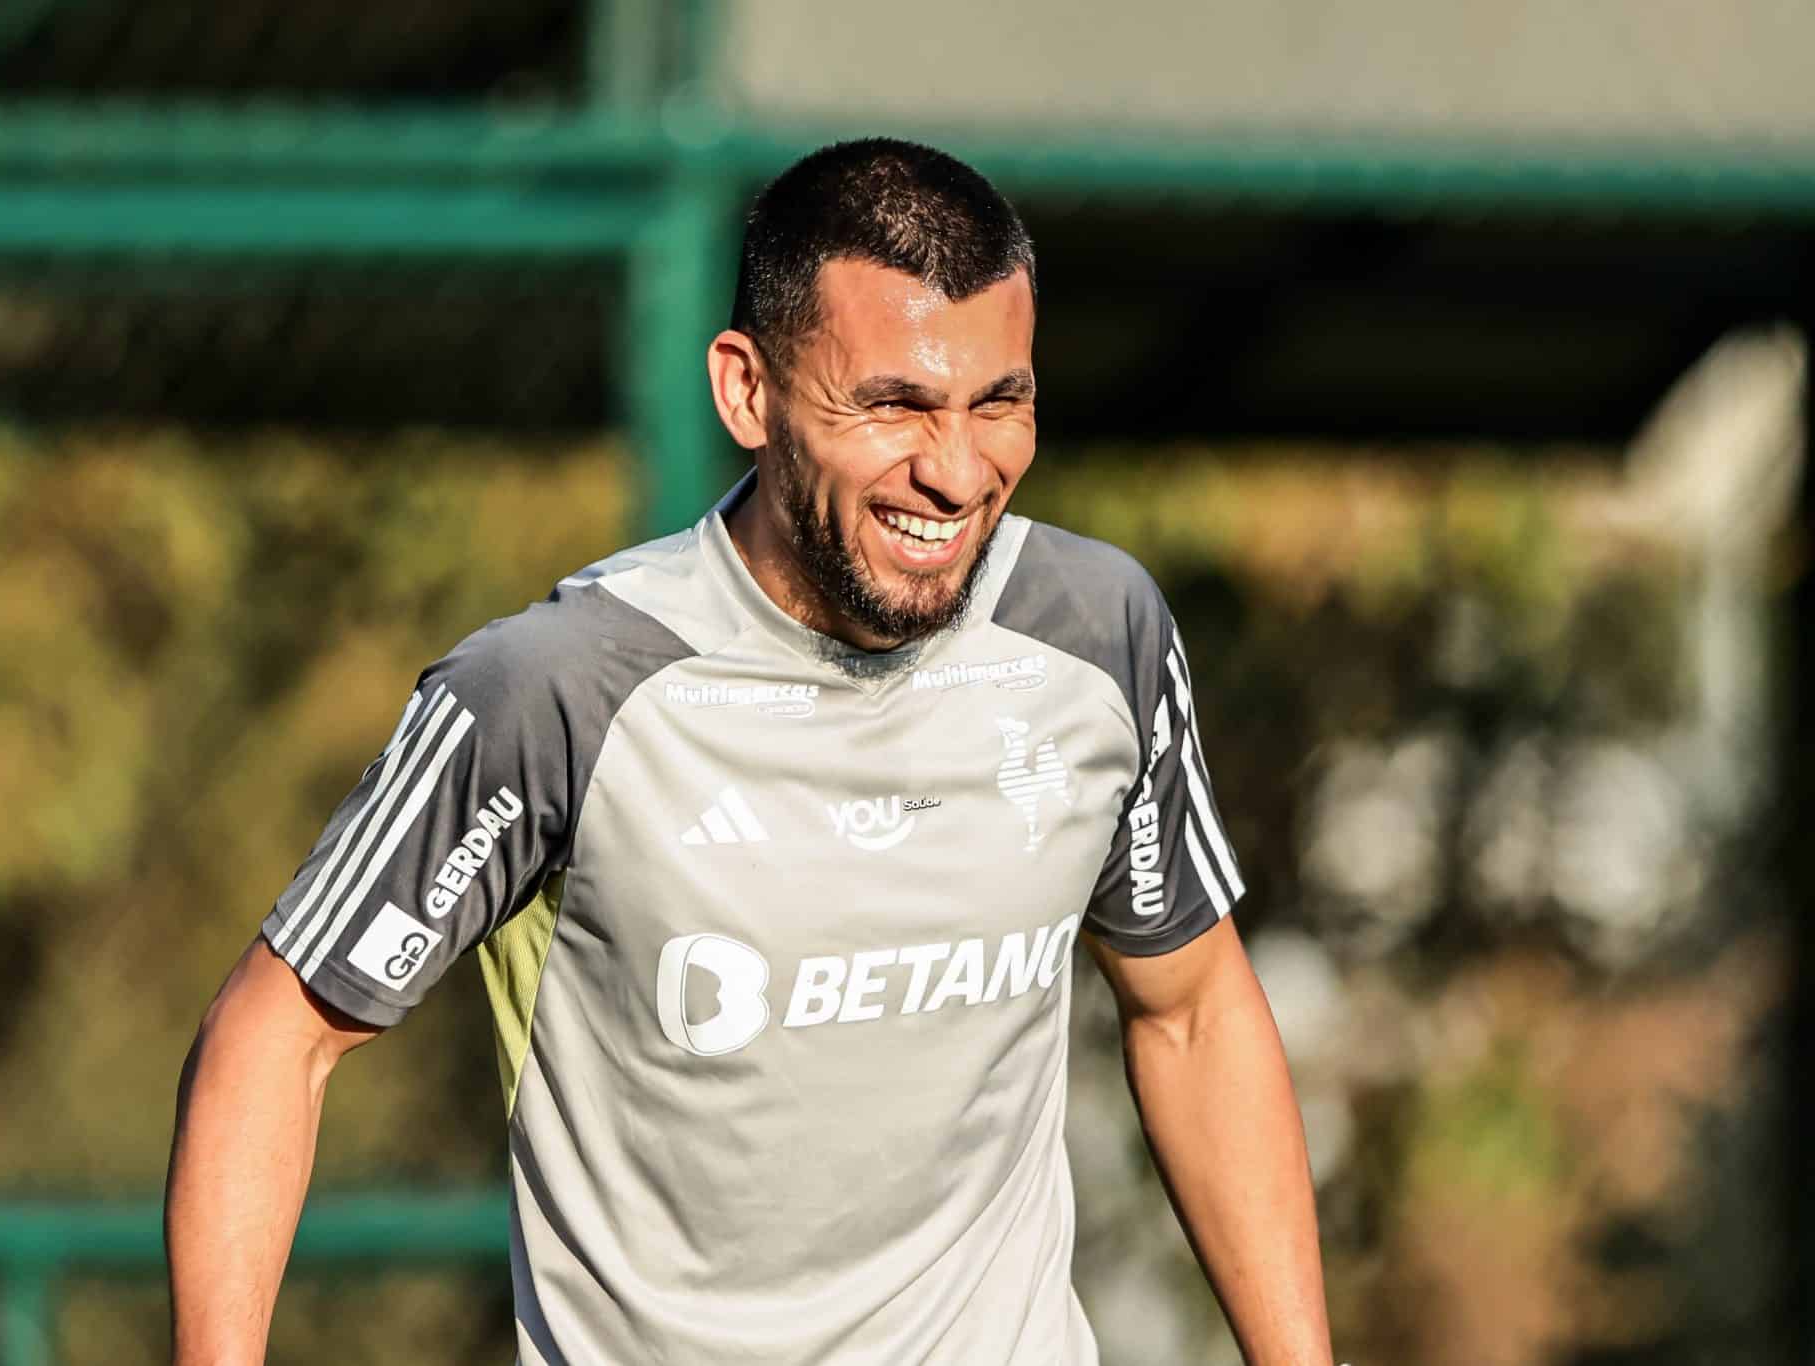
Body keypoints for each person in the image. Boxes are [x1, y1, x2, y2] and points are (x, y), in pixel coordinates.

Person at [167, 137, 1335, 1365]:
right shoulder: (557, 689)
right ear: (746, 393)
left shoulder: (1093, 634)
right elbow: (272, 1035)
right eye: (889, 405)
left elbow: (1191, 1008)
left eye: (997, 403)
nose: (952, 470)